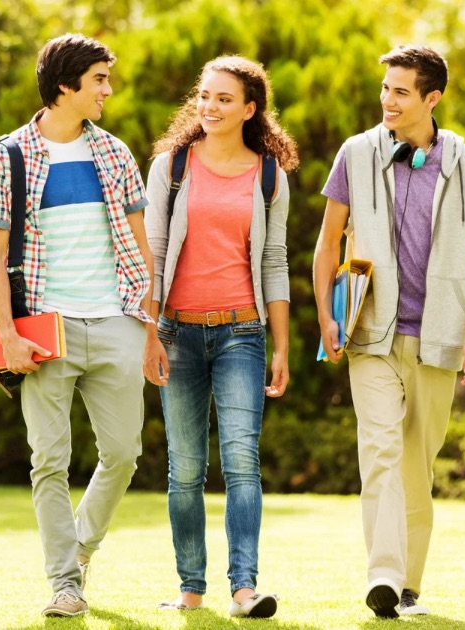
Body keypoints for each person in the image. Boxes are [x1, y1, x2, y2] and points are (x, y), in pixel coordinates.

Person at [312, 45, 465, 619]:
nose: (387, 101)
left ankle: (409, 583)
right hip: (370, 330)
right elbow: (327, 242)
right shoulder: (356, 154)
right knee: (381, 452)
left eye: (400, 91)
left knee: (417, 463)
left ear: (431, 97)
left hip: (437, 334)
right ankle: (385, 577)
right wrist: (326, 316)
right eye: (385, 89)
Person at [0, 33, 154, 619]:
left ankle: (79, 550)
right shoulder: (9, 155)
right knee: (48, 459)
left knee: (124, 452)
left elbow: (141, 248)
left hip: (115, 319)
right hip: (42, 327)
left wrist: (149, 326)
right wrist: (9, 334)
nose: (108, 89)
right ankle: (64, 583)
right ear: (64, 86)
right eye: (99, 79)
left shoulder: (116, 153)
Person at [143, 55, 297, 619]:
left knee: (241, 464)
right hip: (176, 333)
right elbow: (153, 257)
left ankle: (244, 589)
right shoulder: (170, 167)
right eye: (204, 95)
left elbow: (275, 263)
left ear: (250, 109)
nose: (209, 106)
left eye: (224, 99)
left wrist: (281, 346)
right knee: (184, 469)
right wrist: (149, 334)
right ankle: (190, 587)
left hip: (242, 333)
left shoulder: (268, 176)